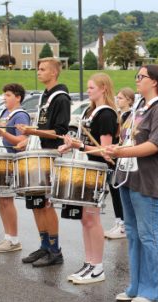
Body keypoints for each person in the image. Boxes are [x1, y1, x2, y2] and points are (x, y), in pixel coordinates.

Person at [102, 64, 158, 302]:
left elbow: (157, 144)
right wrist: (115, 150)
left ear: (154, 81)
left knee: (149, 235)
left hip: (151, 180)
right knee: (134, 235)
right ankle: (136, 286)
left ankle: (157, 291)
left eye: (141, 76)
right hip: (129, 178)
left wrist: (122, 151)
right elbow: (129, 138)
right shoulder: (139, 107)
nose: (137, 80)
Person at [57, 73, 119, 284]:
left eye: (92, 87)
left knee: (92, 218)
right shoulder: (89, 111)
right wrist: (70, 144)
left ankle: (98, 267)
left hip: (97, 169)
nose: (88, 90)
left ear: (103, 88)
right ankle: (89, 262)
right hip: (86, 168)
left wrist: (80, 146)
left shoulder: (107, 115)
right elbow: (83, 141)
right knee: (85, 219)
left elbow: (106, 151)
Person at [20, 57, 70, 268]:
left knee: (47, 204)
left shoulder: (61, 98)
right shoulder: (45, 96)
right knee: (36, 203)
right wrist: (29, 136)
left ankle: (55, 250)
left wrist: (33, 131)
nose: (38, 72)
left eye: (42, 69)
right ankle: (44, 245)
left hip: (52, 154)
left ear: (54, 73)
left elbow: (60, 132)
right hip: (40, 151)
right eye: (38, 69)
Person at [0, 83, 30, 253]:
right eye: (4, 94)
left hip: (11, 160)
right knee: (0, 199)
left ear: (18, 97)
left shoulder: (20, 116)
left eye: (8, 95)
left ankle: (14, 239)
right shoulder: (4, 113)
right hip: (0, 159)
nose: (4, 98)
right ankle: (7, 237)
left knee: (7, 200)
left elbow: (21, 141)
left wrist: (1, 131)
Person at [105, 88, 135, 240]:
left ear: (129, 100)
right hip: (115, 154)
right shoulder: (118, 115)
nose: (118, 100)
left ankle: (124, 224)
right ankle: (118, 221)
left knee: (119, 190)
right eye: (117, 98)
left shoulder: (131, 116)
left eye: (121, 98)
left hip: (122, 156)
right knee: (113, 190)